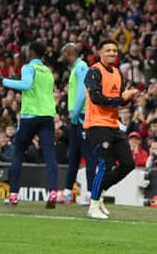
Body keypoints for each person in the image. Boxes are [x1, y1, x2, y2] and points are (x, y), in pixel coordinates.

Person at [84, 39, 140, 219]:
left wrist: (130, 96)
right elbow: (97, 98)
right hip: (97, 125)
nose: (112, 53)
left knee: (128, 164)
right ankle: (93, 206)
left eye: (115, 51)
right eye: (108, 50)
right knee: (104, 165)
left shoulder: (117, 73)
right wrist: (122, 99)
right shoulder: (93, 71)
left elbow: (121, 98)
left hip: (113, 125)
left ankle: (99, 192)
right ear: (100, 53)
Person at [1, 41, 59, 208]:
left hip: (30, 116)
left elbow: (26, 85)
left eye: (27, 50)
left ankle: (13, 195)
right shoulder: (48, 71)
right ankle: (53, 192)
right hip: (47, 116)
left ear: (32, 52)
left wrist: (3, 81)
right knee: (50, 155)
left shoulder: (28, 67)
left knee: (18, 151)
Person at [60, 43, 96, 205]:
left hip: (82, 117)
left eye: (64, 55)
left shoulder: (81, 66)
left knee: (89, 156)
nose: (63, 59)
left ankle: (91, 195)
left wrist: (74, 114)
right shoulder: (76, 68)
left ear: (69, 53)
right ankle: (68, 192)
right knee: (73, 155)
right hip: (75, 118)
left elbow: (83, 91)